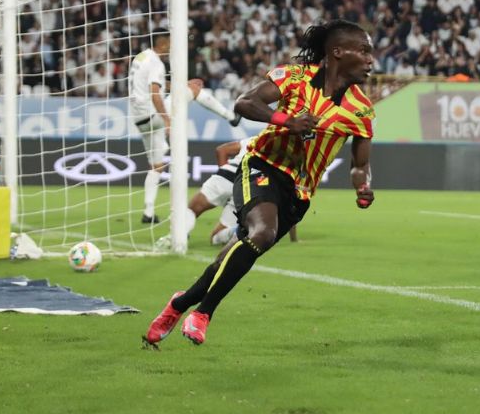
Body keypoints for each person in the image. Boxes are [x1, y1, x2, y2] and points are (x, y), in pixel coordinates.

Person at [143, 19, 375, 347]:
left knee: (240, 253)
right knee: (262, 234)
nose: (370, 59)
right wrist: (287, 121)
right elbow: (246, 103)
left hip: (299, 192)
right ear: (337, 52)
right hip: (262, 164)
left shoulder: (362, 110)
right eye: (364, 51)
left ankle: (179, 304)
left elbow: (360, 165)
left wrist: (362, 186)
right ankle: (204, 312)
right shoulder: (295, 77)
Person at [128, 31, 241, 224]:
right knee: (195, 90)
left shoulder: (141, 58)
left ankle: (148, 213)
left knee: (156, 166)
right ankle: (231, 117)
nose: (172, 47)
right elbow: (155, 93)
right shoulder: (156, 62)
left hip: (140, 119)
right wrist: (167, 120)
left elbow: (159, 86)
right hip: (154, 114)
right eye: (171, 43)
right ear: (163, 43)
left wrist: (182, 84)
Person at [154, 137, 298, 247]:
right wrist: (293, 238)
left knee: (193, 209)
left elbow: (221, 150)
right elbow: (291, 195)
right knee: (216, 237)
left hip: (229, 175)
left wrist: (225, 173)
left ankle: (177, 239)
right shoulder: (287, 153)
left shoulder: (256, 138)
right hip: (249, 187)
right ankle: (238, 230)